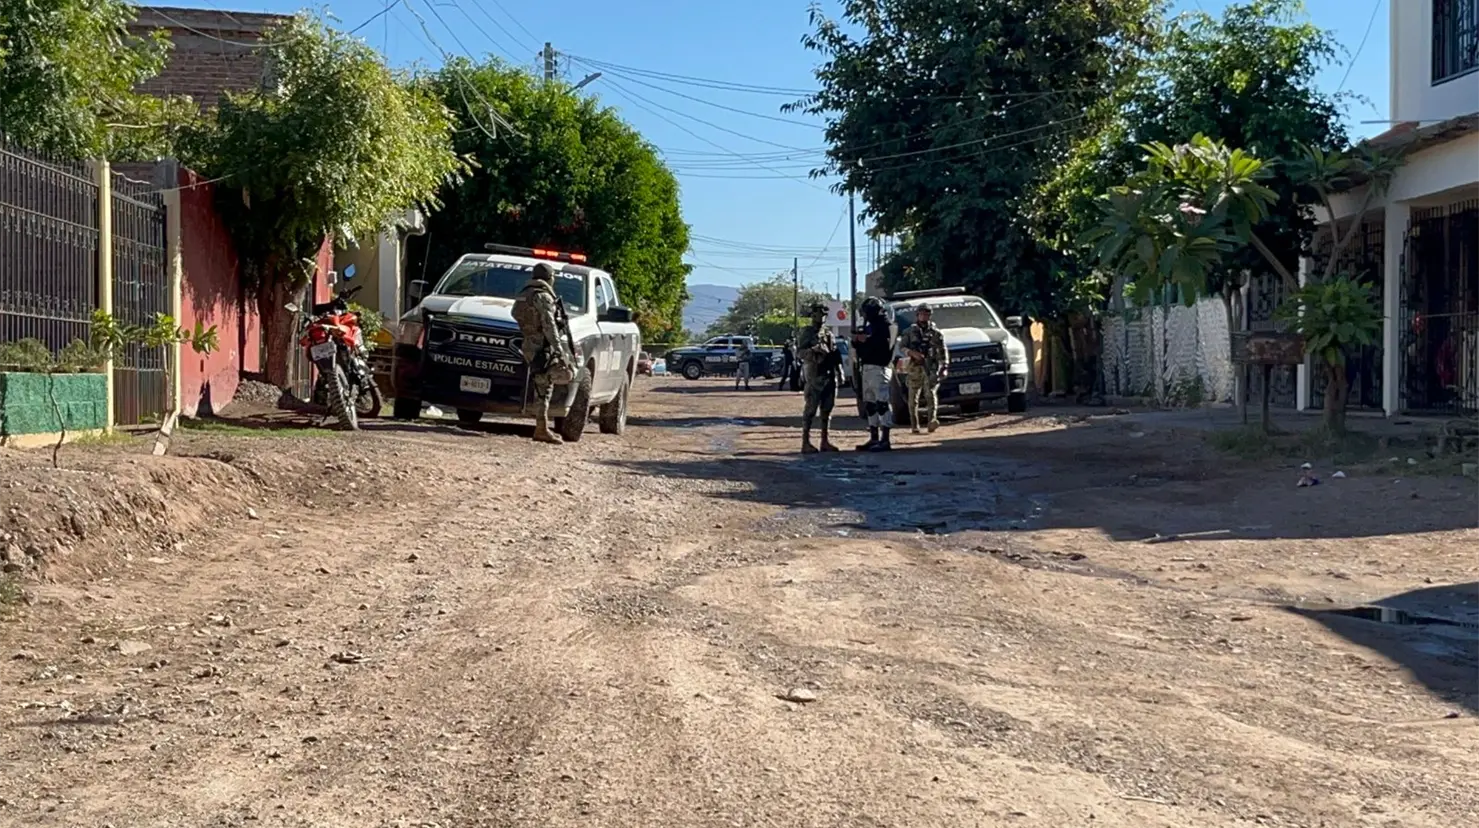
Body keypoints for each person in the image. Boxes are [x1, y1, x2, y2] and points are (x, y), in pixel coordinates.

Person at [512, 262, 574, 444]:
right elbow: (549, 325)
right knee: (544, 387)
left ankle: (541, 426)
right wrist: (559, 349)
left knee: (540, 384)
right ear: (549, 278)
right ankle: (541, 428)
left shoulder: (524, 294)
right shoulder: (543, 296)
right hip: (541, 346)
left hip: (528, 343)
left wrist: (529, 328)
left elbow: (515, 313)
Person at [852, 296, 896, 451]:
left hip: (880, 367)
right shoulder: (872, 325)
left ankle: (885, 439)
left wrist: (865, 341)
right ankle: (874, 437)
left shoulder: (885, 325)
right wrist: (859, 341)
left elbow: (881, 346)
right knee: (870, 404)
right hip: (868, 367)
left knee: (882, 403)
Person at [798, 302, 840, 453]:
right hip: (814, 375)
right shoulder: (807, 333)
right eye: (818, 314)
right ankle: (805, 441)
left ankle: (824, 440)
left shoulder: (828, 333)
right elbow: (800, 353)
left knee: (827, 410)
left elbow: (835, 354)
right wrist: (814, 352)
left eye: (823, 314)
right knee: (810, 410)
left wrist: (838, 371)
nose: (821, 317)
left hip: (829, 374)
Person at [902, 303, 949, 434]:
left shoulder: (935, 333)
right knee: (913, 398)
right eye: (922, 314)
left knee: (931, 394)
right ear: (917, 315)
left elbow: (942, 351)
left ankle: (932, 421)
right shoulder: (910, 331)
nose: (924, 316)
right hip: (914, 367)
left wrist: (944, 367)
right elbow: (902, 347)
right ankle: (914, 424)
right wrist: (912, 353)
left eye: (927, 314)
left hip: (931, 367)